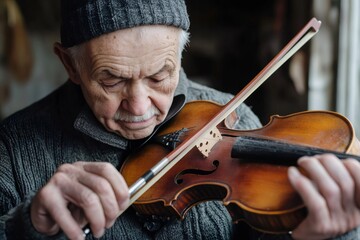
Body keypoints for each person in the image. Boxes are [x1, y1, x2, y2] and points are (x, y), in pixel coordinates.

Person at [0, 0, 360, 239]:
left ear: (181, 53)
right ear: (69, 65)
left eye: (160, 77)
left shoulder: (235, 118)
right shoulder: (11, 150)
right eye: (112, 80)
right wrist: (27, 226)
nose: (140, 107)